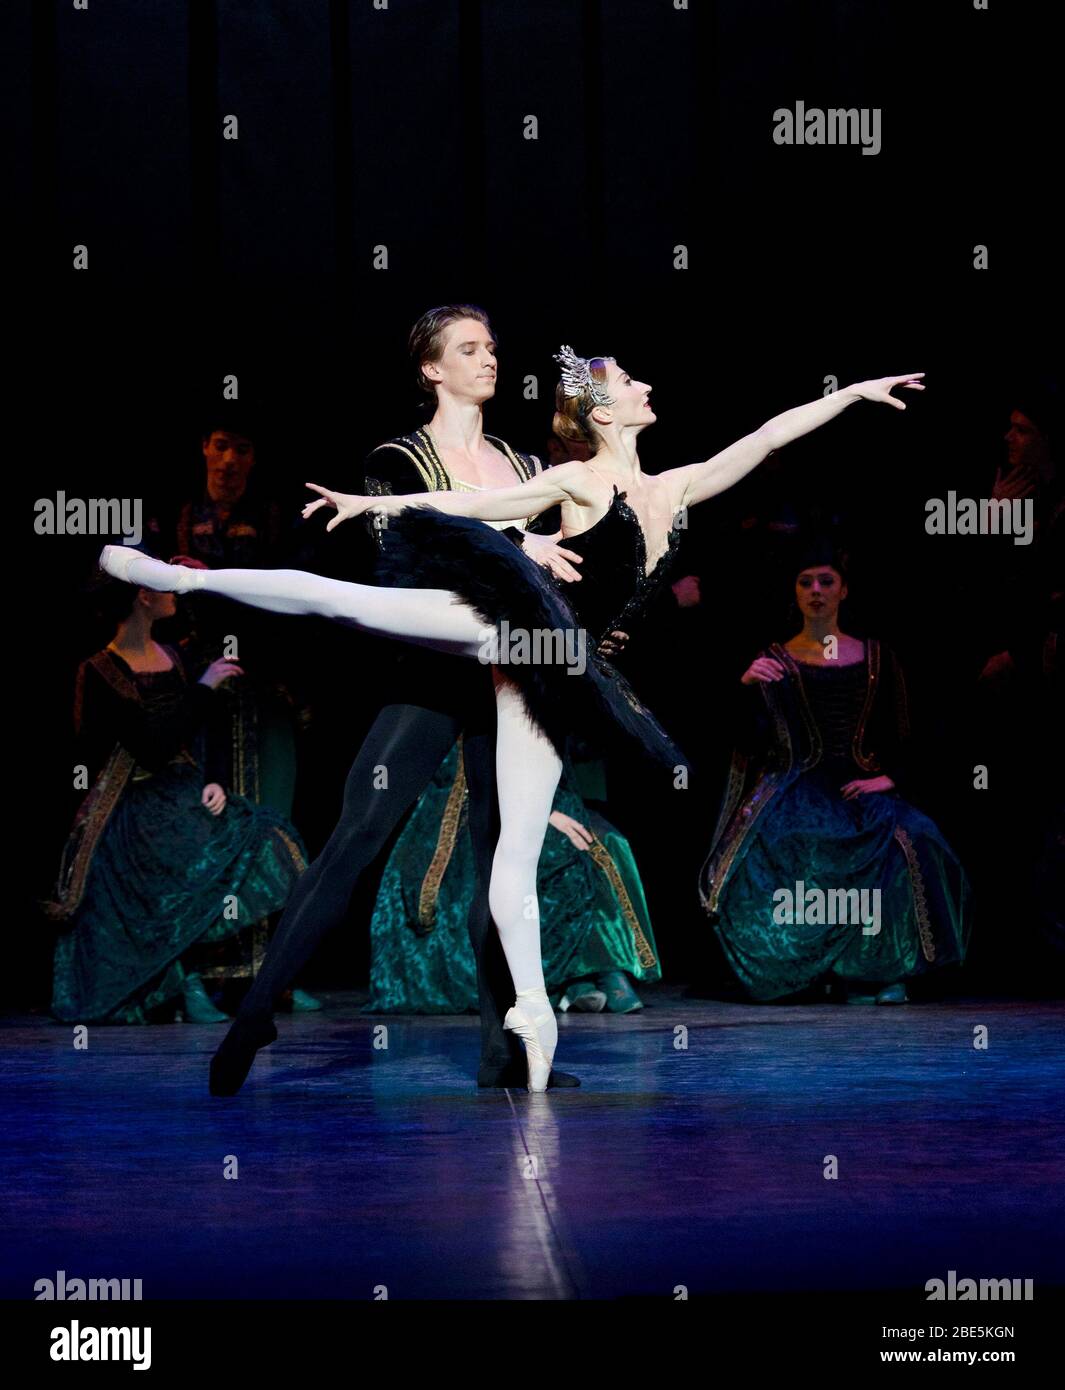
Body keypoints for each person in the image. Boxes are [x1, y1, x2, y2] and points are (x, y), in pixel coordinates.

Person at [101, 356, 924, 1086]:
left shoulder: (674, 486)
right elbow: (469, 505)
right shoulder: (573, 483)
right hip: (509, 624)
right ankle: (179, 576)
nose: (646, 386)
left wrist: (850, 394)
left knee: (516, 851)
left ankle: (530, 1012)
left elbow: (770, 436)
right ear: (603, 413)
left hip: (555, 673)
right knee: (347, 604)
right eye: (630, 382)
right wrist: (362, 502)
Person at [698, 544, 970, 1002]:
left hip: (858, 785)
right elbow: (746, 741)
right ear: (795, 592)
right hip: (795, 785)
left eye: (826, 581)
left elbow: (913, 732)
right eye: (806, 583)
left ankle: (882, 970)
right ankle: (818, 972)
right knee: (790, 844)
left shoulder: (878, 657)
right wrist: (745, 689)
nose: (816, 591)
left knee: (913, 837)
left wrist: (891, 777)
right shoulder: (774, 659)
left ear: (844, 589)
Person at [43, 578, 307, 1024]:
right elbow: (152, 745)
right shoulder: (101, 670)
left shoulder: (174, 656)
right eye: (164, 588)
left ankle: (255, 977)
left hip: (185, 788)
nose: (173, 596)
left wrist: (219, 780)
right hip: (134, 800)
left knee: (267, 835)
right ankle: (182, 981)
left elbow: (212, 727)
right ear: (143, 597)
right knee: (177, 856)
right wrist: (203, 687)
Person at [365, 740, 660, 1015]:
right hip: (486, 808)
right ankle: (578, 978)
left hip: (551, 797)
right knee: (554, 857)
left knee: (603, 841)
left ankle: (595, 973)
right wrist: (539, 812)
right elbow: (477, 773)